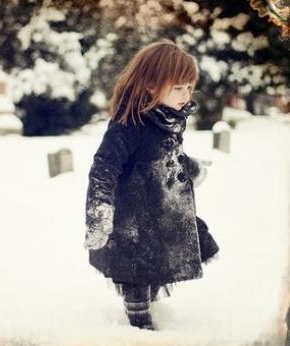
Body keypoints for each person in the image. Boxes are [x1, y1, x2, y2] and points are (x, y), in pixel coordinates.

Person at [84, 39, 219, 331]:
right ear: (150, 85)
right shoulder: (127, 124)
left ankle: (156, 312)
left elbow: (170, 155)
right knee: (135, 273)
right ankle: (138, 327)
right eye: (177, 87)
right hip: (133, 219)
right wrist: (99, 213)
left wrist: (193, 169)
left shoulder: (167, 119)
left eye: (188, 87)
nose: (185, 95)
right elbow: (103, 168)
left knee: (155, 264)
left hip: (161, 211)